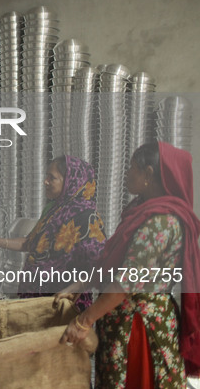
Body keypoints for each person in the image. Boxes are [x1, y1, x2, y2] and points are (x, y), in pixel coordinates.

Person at [57, 141, 200, 388]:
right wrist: (81, 284)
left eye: (133, 167)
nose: (127, 172)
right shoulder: (140, 212)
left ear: (149, 174)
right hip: (122, 320)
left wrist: (83, 321)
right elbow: (114, 262)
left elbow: (125, 282)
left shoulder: (161, 222)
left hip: (139, 327)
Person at [0, 155, 106, 310]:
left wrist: (70, 289)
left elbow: (99, 265)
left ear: (70, 181)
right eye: (46, 176)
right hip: (36, 298)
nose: (45, 181)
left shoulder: (87, 217)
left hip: (63, 303)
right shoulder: (53, 210)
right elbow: (31, 243)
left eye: (52, 177)